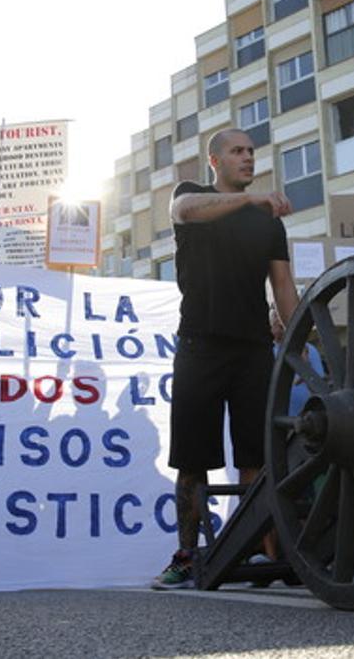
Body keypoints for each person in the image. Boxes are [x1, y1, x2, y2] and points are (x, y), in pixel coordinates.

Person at [151, 128, 300, 589]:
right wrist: (250, 202)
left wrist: (299, 349)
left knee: (255, 456)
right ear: (214, 161)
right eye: (238, 151)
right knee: (193, 459)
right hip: (200, 344)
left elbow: (284, 289)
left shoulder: (269, 221)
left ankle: (255, 547)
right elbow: (184, 212)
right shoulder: (191, 195)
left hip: (255, 348)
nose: (248, 158)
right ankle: (186, 555)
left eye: (252, 152)